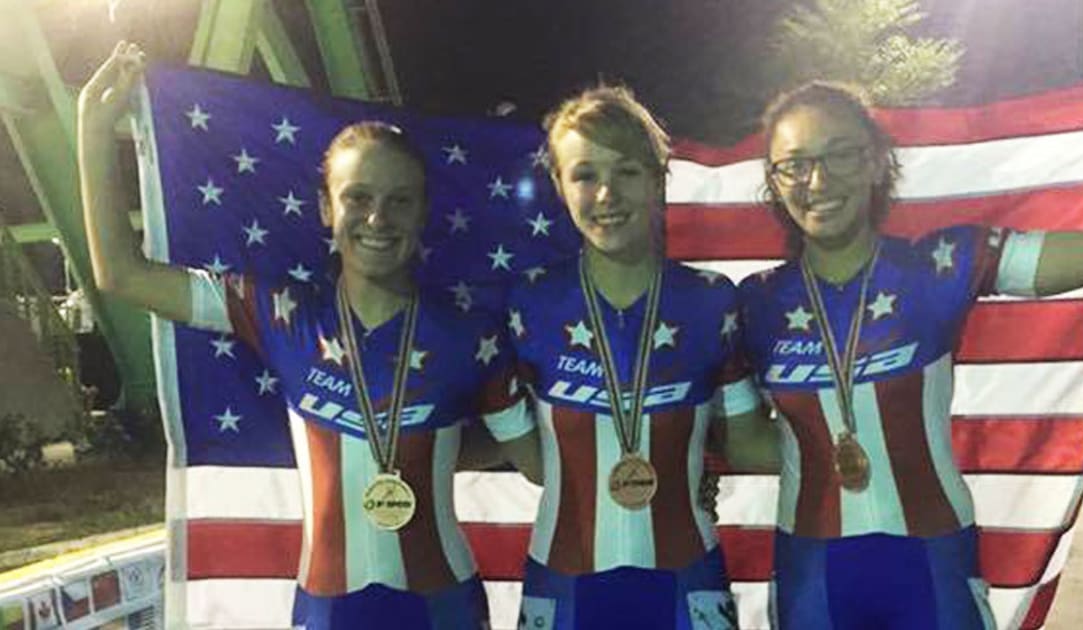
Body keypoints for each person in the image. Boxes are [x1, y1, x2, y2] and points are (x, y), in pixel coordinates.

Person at [77, 41, 535, 629]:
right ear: (325, 208)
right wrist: (94, 131)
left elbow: (539, 463)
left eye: (400, 202)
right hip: (327, 609)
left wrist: (434, 451)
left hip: (444, 608)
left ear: (423, 214)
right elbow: (122, 273)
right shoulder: (279, 310)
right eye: (358, 199)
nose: (378, 219)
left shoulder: (473, 335)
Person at [737, 80, 1083, 630]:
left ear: (876, 162)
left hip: (933, 566)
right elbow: (740, 438)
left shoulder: (943, 265)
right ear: (774, 180)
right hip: (811, 575)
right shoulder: (753, 304)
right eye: (795, 164)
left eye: (840, 154)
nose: (818, 180)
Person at [494, 85, 775, 630]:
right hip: (564, 586)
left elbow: (744, 440)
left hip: (686, 584)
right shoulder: (527, 303)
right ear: (559, 185)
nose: (606, 194)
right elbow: (530, 459)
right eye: (584, 175)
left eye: (626, 171)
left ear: (658, 179)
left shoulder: (711, 301)